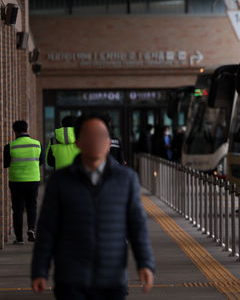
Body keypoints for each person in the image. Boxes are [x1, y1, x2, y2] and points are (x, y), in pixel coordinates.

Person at [31, 112, 155, 299]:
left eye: (101, 136)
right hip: (71, 278)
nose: (95, 141)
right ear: (78, 142)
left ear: (108, 142)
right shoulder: (60, 181)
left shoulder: (126, 179)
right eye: (89, 136)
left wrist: (145, 263)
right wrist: (40, 269)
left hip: (112, 279)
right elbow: (47, 229)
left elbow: (137, 226)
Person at [3, 120, 43, 245]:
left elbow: (6, 164)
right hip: (33, 179)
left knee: (18, 209)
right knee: (32, 206)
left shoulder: (9, 146)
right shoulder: (37, 144)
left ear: (14, 131)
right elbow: (41, 161)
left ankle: (19, 238)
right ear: (27, 129)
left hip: (16, 181)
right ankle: (31, 229)